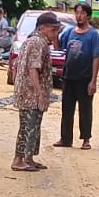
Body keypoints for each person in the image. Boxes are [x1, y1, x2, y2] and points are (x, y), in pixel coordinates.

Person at [13, 10, 63, 171]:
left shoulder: (35, 41)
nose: (55, 34)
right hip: (31, 93)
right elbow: (33, 68)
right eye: (53, 30)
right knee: (28, 126)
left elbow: (17, 66)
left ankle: (28, 158)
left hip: (28, 92)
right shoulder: (37, 43)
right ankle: (19, 159)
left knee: (33, 126)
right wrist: (39, 92)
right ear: (43, 28)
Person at [55, 2, 99, 149]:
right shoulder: (69, 32)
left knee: (85, 110)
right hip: (68, 77)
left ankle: (86, 139)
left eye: (82, 13)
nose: (79, 16)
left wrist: (93, 81)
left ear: (88, 16)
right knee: (66, 110)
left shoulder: (93, 35)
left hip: (85, 78)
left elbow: (95, 58)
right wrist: (55, 34)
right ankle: (65, 139)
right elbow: (59, 47)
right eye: (77, 13)